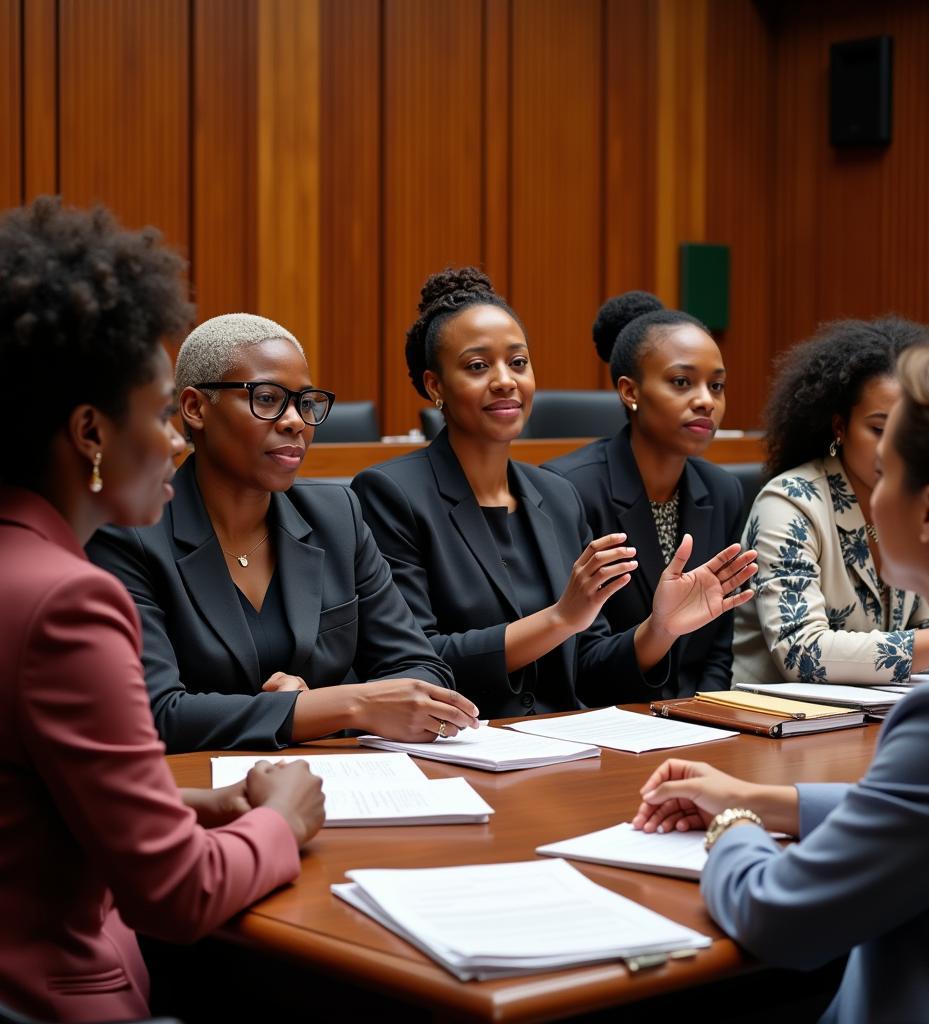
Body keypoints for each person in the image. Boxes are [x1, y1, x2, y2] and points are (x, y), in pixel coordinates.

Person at [0, 197, 325, 1022]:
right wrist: (281, 821)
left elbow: (31, 798)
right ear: (89, 433)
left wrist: (196, 804)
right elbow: (177, 894)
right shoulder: (70, 600)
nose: (176, 441)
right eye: (156, 413)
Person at [633, 339, 929, 1022]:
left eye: (891, 466)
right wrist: (765, 796)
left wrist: (733, 821)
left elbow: (778, 917)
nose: (873, 492)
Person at [351, 267, 756, 719]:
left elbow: (588, 668)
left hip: (562, 747)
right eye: (478, 366)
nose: (506, 380)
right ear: (434, 385)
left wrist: (658, 630)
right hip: (457, 742)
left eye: (518, 362)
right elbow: (414, 663)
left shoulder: (556, 496)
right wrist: (560, 618)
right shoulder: (390, 492)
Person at [88, 313, 477, 752]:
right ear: (195, 408)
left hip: (346, 785)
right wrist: (334, 708)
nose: (295, 421)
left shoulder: (336, 515)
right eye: (268, 398)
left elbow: (420, 668)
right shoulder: (129, 535)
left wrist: (319, 710)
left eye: (305, 403)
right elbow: (156, 713)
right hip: (201, 795)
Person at [544, 291, 744, 697]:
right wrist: (659, 630)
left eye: (717, 385)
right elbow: (578, 660)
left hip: (701, 720)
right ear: (630, 392)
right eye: (682, 382)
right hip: (607, 722)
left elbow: (718, 648)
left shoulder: (724, 491)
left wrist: (706, 716)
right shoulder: (567, 490)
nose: (706, 401)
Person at [731, 317, 929, 684]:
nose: (894, 448)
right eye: (879, 429)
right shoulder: (789, 503)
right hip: (772, 725)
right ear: (840, 427)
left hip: (876, 719)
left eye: (910, 430)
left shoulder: (917, 502)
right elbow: (803, 653)